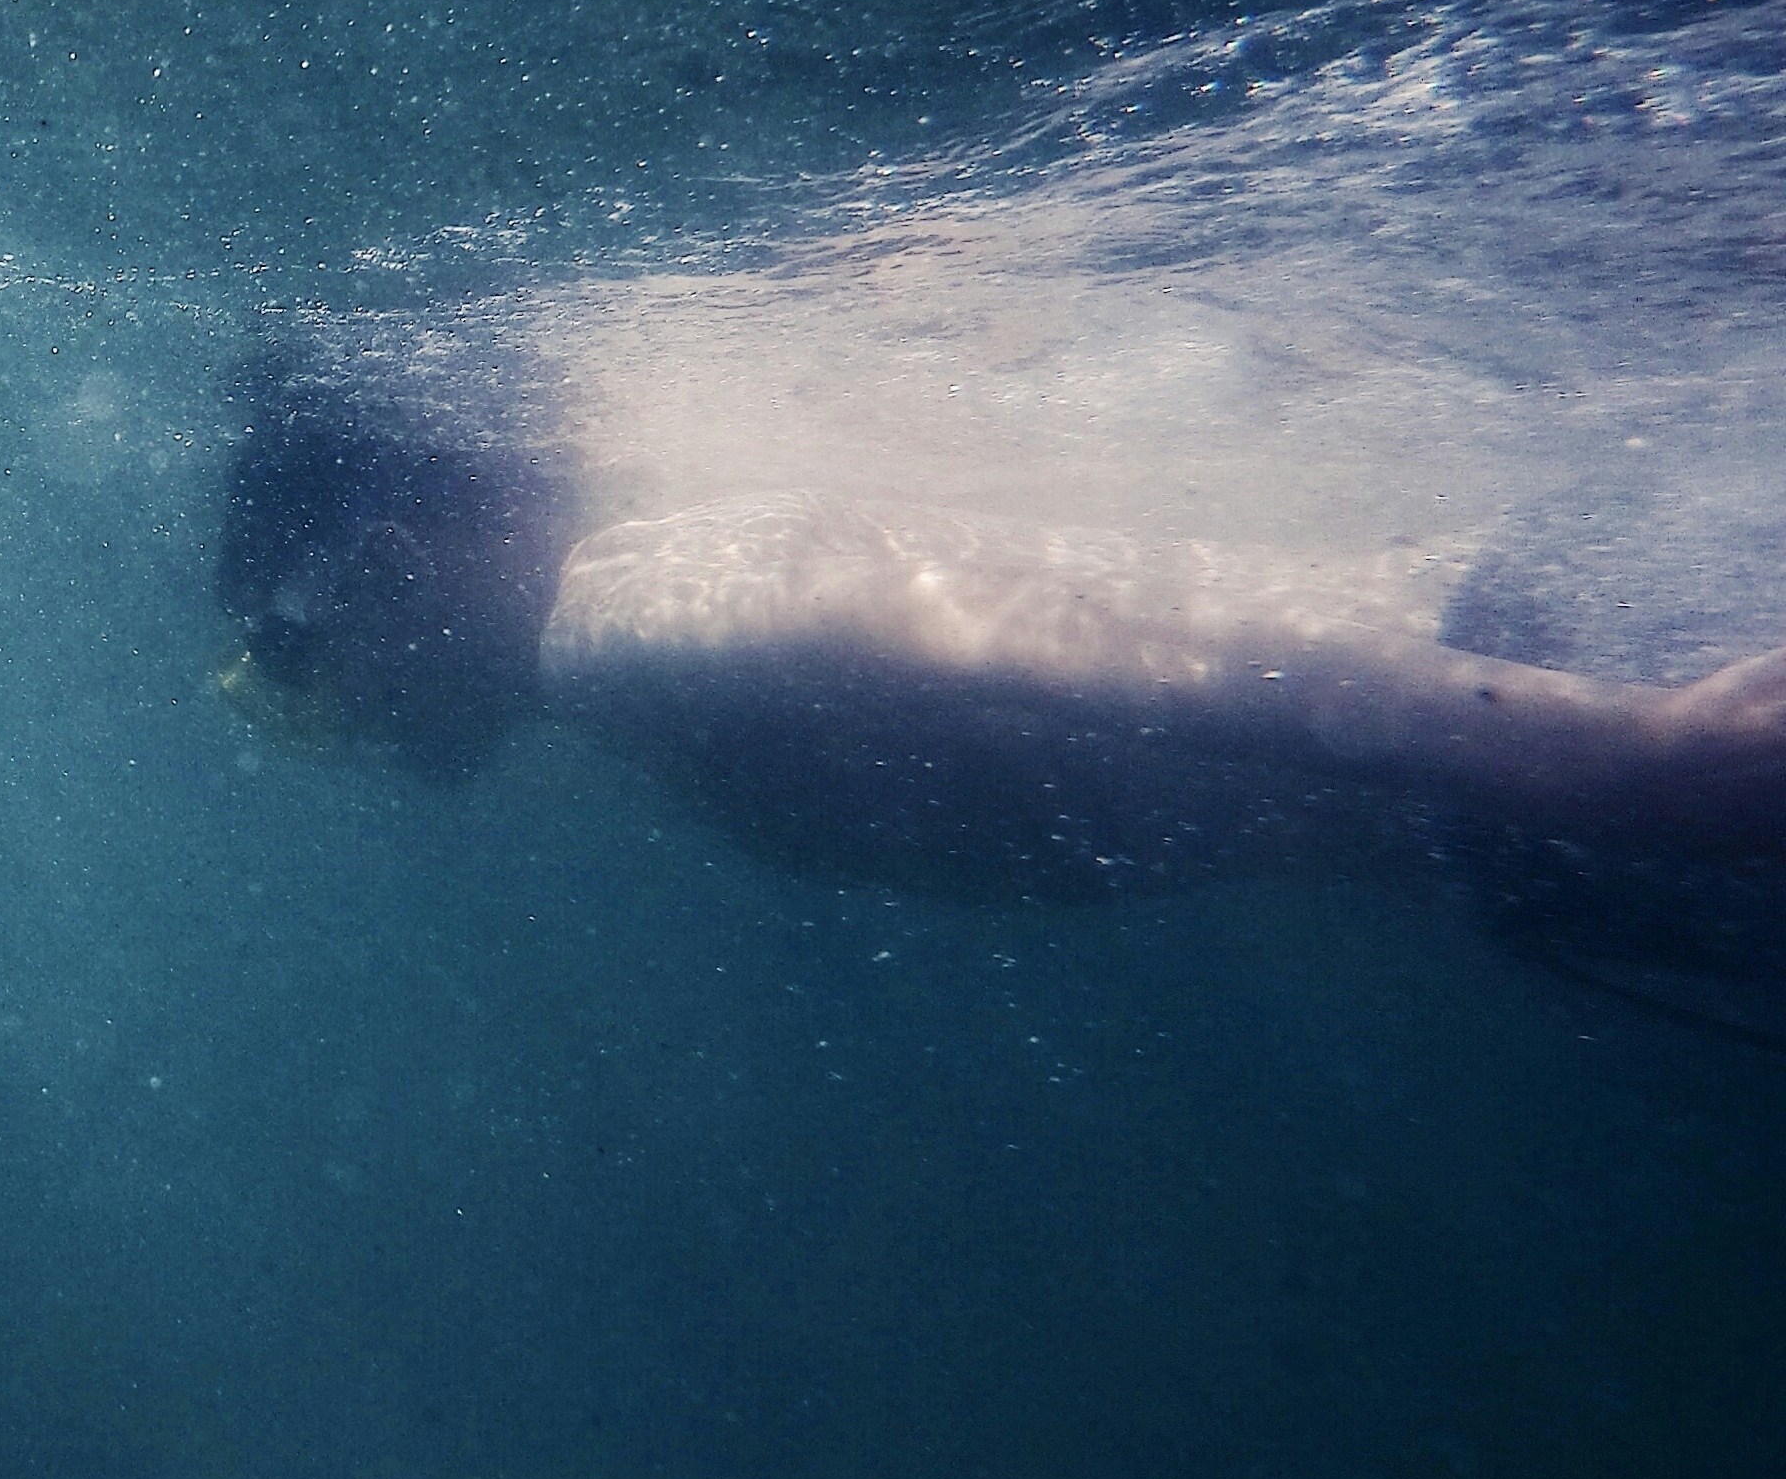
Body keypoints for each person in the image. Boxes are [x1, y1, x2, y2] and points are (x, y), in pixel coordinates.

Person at [215, 328, 1786, 1018]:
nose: (320, 716)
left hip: (1564, 672)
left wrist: (1617, 753)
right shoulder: (623, 647)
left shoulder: (622, 617)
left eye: (293, 647)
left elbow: (1074, 628)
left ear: (386, 560)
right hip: (1529, 757)